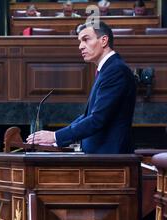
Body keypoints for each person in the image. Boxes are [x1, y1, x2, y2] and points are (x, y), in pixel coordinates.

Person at [26, 22, 136, 154]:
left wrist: (55, 136)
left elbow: (97, 119)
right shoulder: (108, 69)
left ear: (104, 40)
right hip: (102, 157)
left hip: (110, 158)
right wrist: (56, 138)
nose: (80, 46)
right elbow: (87, 116)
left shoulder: (116, 70)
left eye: (86, 39)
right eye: (80, 41)